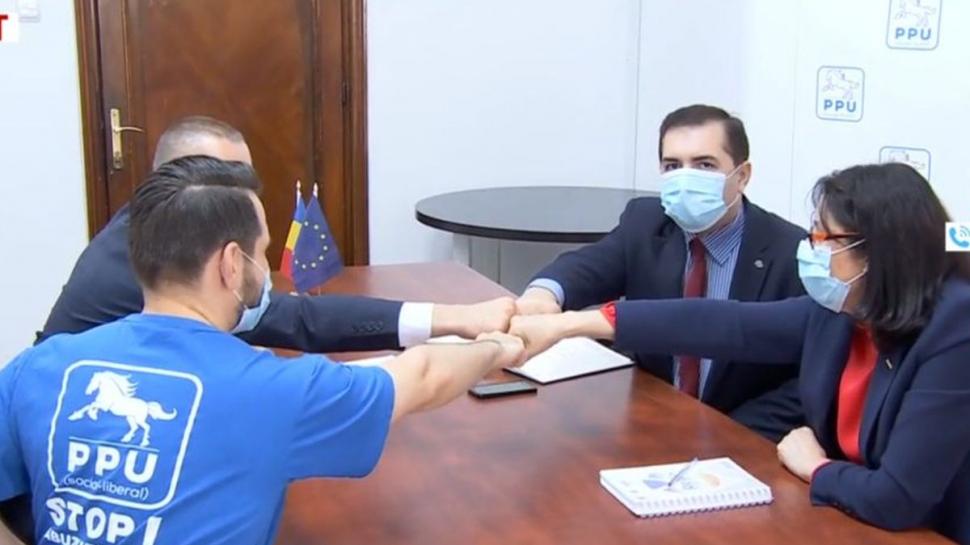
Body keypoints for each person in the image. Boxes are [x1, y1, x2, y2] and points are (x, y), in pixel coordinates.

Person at [0, 156, 526, 545]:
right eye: (262, 253)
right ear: (232, 264)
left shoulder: (37, 367)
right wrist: (495, 347)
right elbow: (424, 374)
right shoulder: (276, 391)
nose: (266, 269)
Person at [509, 163, 970, 542]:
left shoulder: (954, 328)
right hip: (847, 517)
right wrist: (571, 324)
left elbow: (896, 498)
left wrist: (817, 467)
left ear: (879, 253)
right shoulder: (843, 309)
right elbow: (727, 324)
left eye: (823, 240)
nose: (810, 251)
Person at [38, 115, 514, 351]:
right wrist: (459, 327)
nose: (245, 198)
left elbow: (290, 316)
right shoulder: (153, 261)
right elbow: (289, 319)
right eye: (226, 183)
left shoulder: (152, 225)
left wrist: (455, 318)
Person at [516, 105, 806, 440]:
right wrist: (544, 294)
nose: (685, 178)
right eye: (672, 166)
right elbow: (591, 265)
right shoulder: (646, 221)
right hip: (651, 424)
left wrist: (729, 433)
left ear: (742, 176)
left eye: (704, 165)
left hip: (740, 436)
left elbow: (807, 382)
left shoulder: (790, 251)